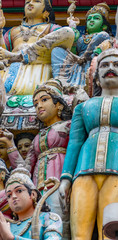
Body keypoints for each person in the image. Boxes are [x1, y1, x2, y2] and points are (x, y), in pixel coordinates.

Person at [59, 45, 118, 239]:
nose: (111, 68)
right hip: (83, 171)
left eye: (117, 65)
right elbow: (74, 143)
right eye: (105, 65)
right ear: (96, 77)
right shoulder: (82, 108)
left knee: (111, 231)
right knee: (79, 233)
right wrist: (65, 178)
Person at [0, 79, 72, 239]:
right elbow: (24, 168)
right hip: (36, 187)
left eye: (44, 100)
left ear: (59, 104)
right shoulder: (38, 137)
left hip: (59, 182)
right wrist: (10, 143)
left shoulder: (69, 126)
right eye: (36, 103)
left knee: (58, 219)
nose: (39, 106)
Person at [0, 0, 74, 95]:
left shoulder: (51, 28)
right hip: (11, 67)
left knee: (68, 32)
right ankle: (16, 57)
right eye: (27, 2)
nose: (30, 3)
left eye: (36, 1)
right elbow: (3, 52)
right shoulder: (13, 31)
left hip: (39, 65)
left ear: (46, 13)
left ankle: (19, 56)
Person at [51, 3, 112, 88]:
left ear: (104, 25)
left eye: (96, 18)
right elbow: (73, 52)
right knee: (57, 50)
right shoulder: (81, 38)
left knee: (102, 36)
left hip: (94, 61)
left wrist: (85, 56)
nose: (91, 20)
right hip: (78, 64)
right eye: (89, 19)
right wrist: (73, 29)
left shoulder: (105, 36)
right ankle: (60, 81)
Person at [0, 165, 62, 239]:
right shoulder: (8, 226)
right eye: (9, 195)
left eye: (19, 191)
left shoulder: (48, 219)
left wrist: (12, 238)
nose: (13, 196)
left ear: (33, 194)